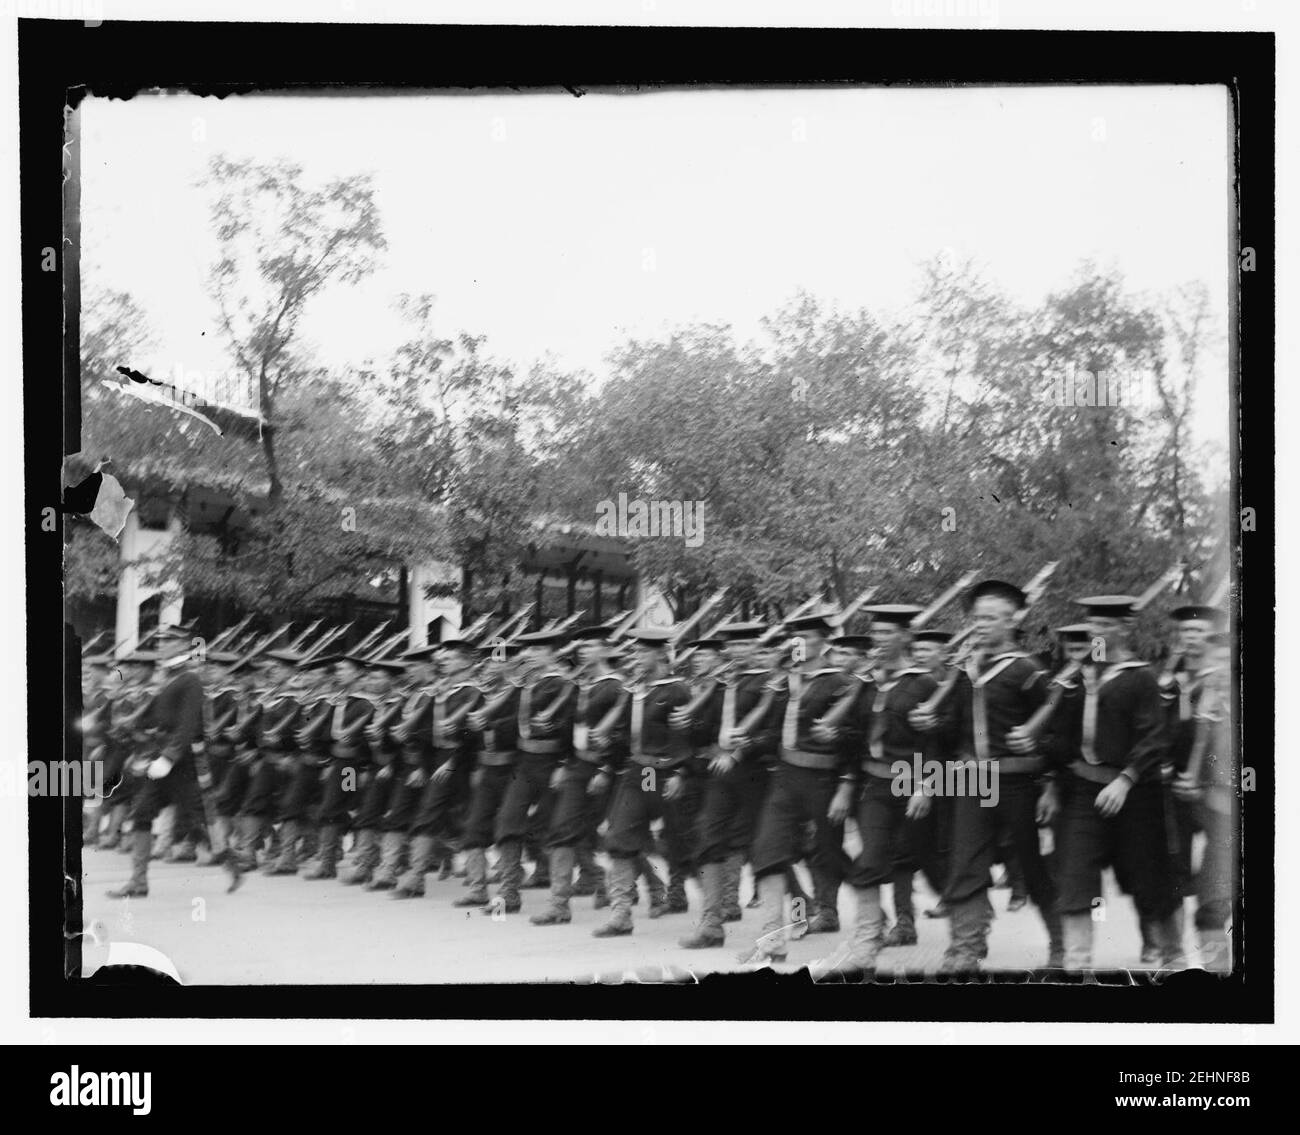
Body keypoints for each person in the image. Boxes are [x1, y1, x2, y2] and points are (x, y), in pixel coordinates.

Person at [910, 580, 1063, 973]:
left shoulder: (1028, 672)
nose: (981, 625)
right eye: (977, 618)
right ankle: (966, 949)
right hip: (969, 783)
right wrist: (931, 723)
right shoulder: (963, 672)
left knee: (1031, 868)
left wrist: (1047, 778)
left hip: (1017, 783)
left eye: (991, 618)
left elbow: (1056, 733)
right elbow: (952, 733)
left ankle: (1061, 944)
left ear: (1011, 621)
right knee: (965, 865)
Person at [1040, 595, 1175, 971]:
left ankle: (1171, 954)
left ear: (1124, 629)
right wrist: (1051, 784)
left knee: (1145, 878)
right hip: (1083, 791)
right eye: (1092, 626)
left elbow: (1154, 739)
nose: (1096, 633)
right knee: (1076, 874)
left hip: (1133, 795)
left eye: (1105, 627)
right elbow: (1061, 737)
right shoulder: (1079, 678)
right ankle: (1077, 964)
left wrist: (1125, 780)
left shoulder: (1140, 678)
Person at [738, 614, 861, 964]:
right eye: (794, 638)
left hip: (824, 782)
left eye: (805, 637)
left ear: (824, 642)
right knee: (768, 852)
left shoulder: (840, 684)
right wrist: (746, 742)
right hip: (785, 779)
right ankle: (774, 938)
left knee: (830, 857)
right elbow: (774, 734)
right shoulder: (784, 684)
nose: (798, 643)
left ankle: (873, 918)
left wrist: (846, 787)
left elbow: (856, 741)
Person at [678, 622, 779, 948]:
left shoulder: (773, 684)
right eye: (733, 646)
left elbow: (775, 734)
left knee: (765, 849)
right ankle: (711, 924)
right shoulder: (721, 685)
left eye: (746, 645)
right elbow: (705, 728)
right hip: (720, 774)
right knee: (708, 839)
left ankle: (782, 922)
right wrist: (689, 723)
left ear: (757, 647)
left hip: (756, 774)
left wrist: (741, 750)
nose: (738, 651)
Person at [592, 627, 695, 938]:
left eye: (641, 653)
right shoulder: (635, 691)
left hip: (666, 773)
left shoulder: (677, 690)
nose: (635, 658)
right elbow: (624, 736)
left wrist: (681, 773)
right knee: (620, 836)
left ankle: (676, 891)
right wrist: (607, 767)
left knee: (675, 837)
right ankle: (621, 914)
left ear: (661, 654)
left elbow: (686, 736)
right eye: (633, 652)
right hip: (640, 773)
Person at [531, 627, 627, 925]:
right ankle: (559, 905)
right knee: (562, 828)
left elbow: (623, 733)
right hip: (577, 766)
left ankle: (648, 888)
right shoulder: (582, 685)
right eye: (581, 647)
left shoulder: (616, 688)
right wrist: (563, 761)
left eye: (591, 646)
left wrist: (606, 768)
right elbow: (571, 728)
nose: (583, 651)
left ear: (606, 650)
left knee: (616, 833)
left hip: (605, 769)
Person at [107, 628, 207, 899]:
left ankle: (230, 860)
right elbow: (155, 715)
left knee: (197, 816)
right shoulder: (168, 676)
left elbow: (187, 725)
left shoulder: (190, 679)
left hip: (180, 761)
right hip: (160, 756)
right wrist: (132, 726)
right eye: (161, 642)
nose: (164, 646)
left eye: (170, 642)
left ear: (184, 645)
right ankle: (138, 881)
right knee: (141, 812)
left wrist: (170, 756)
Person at [1154, 604, 1226, 964]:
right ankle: (1174, 959)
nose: (1191, 640)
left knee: (1215, 891)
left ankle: (1218, 965)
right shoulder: (1169, 684)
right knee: (1172, 873)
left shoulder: (1225, 683)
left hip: (1215, 792)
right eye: (1185, 633)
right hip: (1173, 789)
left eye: (1198, 633)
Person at [489, 629, 573, 915]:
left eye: (538, 651)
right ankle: (509, 892)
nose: (531, 655)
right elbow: (515, 719)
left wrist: (563, 764)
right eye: (529, 650)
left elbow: (573, 727)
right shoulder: (525, 684)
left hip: (553, 764)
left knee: (551, 828)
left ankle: (568, 892)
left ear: (552, 654)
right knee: (508, 821)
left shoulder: (562, 685)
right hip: (524, 763)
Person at [394, 639, 483, 898]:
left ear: (467, 662)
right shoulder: (437, 692)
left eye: (450, 658)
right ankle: (417, 874)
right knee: (439, 816)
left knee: (454, 817)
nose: (442, 662)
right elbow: (423, 731)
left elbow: (473, 734)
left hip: (462, 762)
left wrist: (451, 762)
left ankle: (418, 876)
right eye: (440, 659)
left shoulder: (473, 692)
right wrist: (420, 764)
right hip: (433, 761)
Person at [1173, 632, 1236, 972]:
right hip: (1219, 817)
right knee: (1211, 907)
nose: (1220, 672)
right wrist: (1192, 784)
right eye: (1216, 663)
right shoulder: (1205, 706)